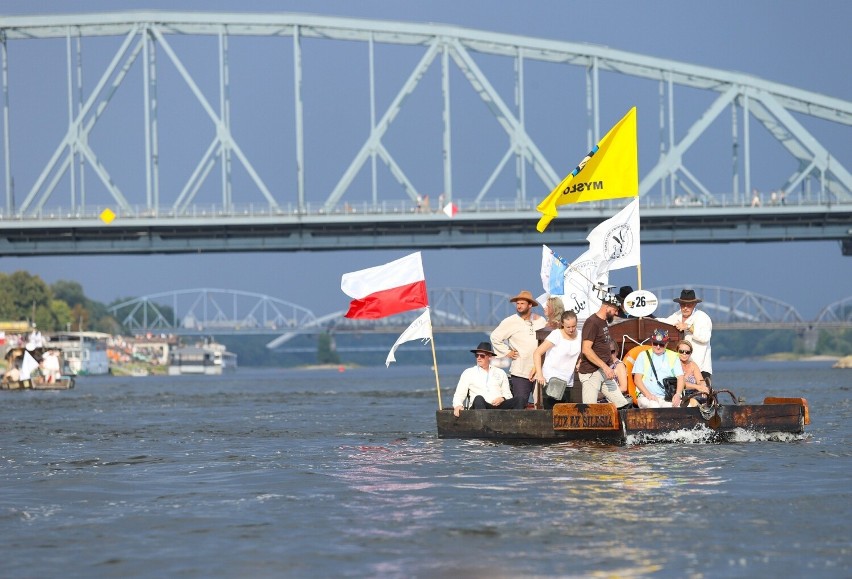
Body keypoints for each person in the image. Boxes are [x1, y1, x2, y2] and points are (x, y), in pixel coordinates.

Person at [491, 290, 547, 409]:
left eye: (522, 303)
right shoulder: (510, 321)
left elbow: (548, 341)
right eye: (517, 303)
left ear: (530, 305)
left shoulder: (540, 321)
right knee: (520, 404)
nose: (519, 306)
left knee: (541, 405)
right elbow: (495, 337)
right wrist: (507, 352)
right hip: (520, 372)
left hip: (539, 371)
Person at [576, 293, 632, 408]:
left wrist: (608, 366)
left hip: (603, 371)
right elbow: (586, 349)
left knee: (623, 405)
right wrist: (605, 367)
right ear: (607, 307)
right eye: (615, 310)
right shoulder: (592, 323)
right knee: (589, 411)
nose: (616, 313)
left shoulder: (603, 322)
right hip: (591, 372)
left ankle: (622, 425)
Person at [660, 289, 713, 386]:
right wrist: (646, 318)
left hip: (701, 366)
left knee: (703, 392)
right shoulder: (677, 315)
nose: (685, 308)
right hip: (682, 366)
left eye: (689, 305)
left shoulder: (703, 317)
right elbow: (664, 322)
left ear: (694, 305)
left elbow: (705, 337)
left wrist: (688, 327)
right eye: (683, 304)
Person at [452, 342, 517, 417]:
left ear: (490, 357)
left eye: (482, 356)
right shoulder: (468, 373)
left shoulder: (500, 372)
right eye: (477, 355)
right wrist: (457, 406)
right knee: (479, 399)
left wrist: (502, 398)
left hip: (498, 407)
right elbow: (459, 394)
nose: (478, 358)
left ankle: (518, 424)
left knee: (519, 400)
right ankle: (483, 426)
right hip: (478, 408)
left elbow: (508, 394)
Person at [532, 310, 581, 408]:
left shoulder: (580, 335)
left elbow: (585, 350)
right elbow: (537, 353)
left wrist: (580, 361)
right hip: (552, 378)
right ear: (562, 324)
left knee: (565, 414)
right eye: (568, 327)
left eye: (573, 326)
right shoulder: (556, 335)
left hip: (568, 379)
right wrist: (540, 374)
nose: (571, 329)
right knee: (552, 412)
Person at [632, 329, 684, 408]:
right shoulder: (643, 355)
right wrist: (648, 395)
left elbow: (680, 377)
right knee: (654, 406)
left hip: (667, 397)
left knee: (678, 407)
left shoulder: (673, 356)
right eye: (655, 343)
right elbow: (637, 379)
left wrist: (678, 394)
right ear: (651, 342)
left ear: (666, 344)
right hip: (646, 396)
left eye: (661, 344)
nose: (658, 347)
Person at [675, 339, 710, 406]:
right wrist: (697, 387)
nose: (684, 354)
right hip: (680, 394)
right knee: (693, 402)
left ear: (690, 353)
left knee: (709, 396)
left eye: (687, 352)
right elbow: (678, 382)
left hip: (694, 393)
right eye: (681, 351)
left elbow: (700, 380)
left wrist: (703, 387)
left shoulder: (693, 365)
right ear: (677, 351)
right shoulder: (674, 364)